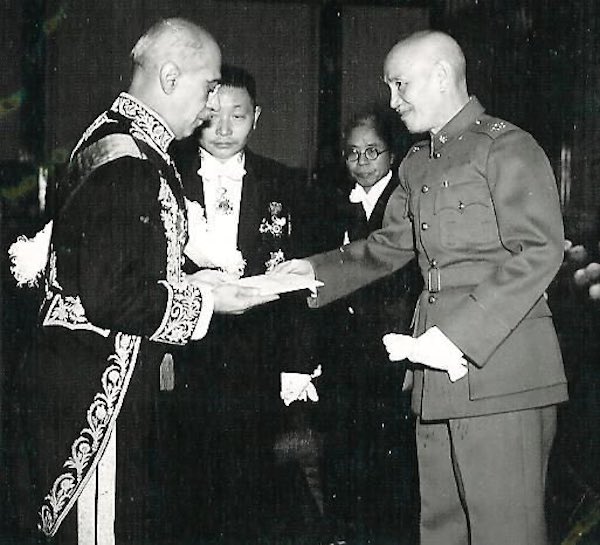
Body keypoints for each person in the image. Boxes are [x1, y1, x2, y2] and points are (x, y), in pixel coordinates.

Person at [277, 30, 568, 545]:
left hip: (498, 369)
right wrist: (311, 270)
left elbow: (540, 251)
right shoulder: (417, 162)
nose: (393, 101)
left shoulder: (507, 146)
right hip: (433, 373)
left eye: (400, 85)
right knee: (441, 528)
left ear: (440, 75)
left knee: (506, 532)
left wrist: (456, 337)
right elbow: (389, 244)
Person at [5, 19, 277, 545]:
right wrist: (207, 300)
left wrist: (195, 279)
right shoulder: (128, 161)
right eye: (208, 87)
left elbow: (124, 266)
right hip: (94, 392)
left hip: (93, 375)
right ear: (171, 78)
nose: (210, 105)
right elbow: (111, 295)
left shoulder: (123, 140)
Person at [169, 65, 323, 544]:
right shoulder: (166, 175)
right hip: (186, 352)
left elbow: (301, 283)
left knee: (254, 486)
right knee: (184, 485)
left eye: (237, 115)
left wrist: (297, 364)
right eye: (211, 114)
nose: (222, 128)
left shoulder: (287, 184)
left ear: (256, 116)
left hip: (259, 356)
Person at [315, 109, 420, 544]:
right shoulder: (332, 201)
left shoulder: (407, 199)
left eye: (372, 151)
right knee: (341, 450)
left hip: (391, 349)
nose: (362, 161)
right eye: (352, 153)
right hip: (345, 351)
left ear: (391, 153)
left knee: (389, 461)